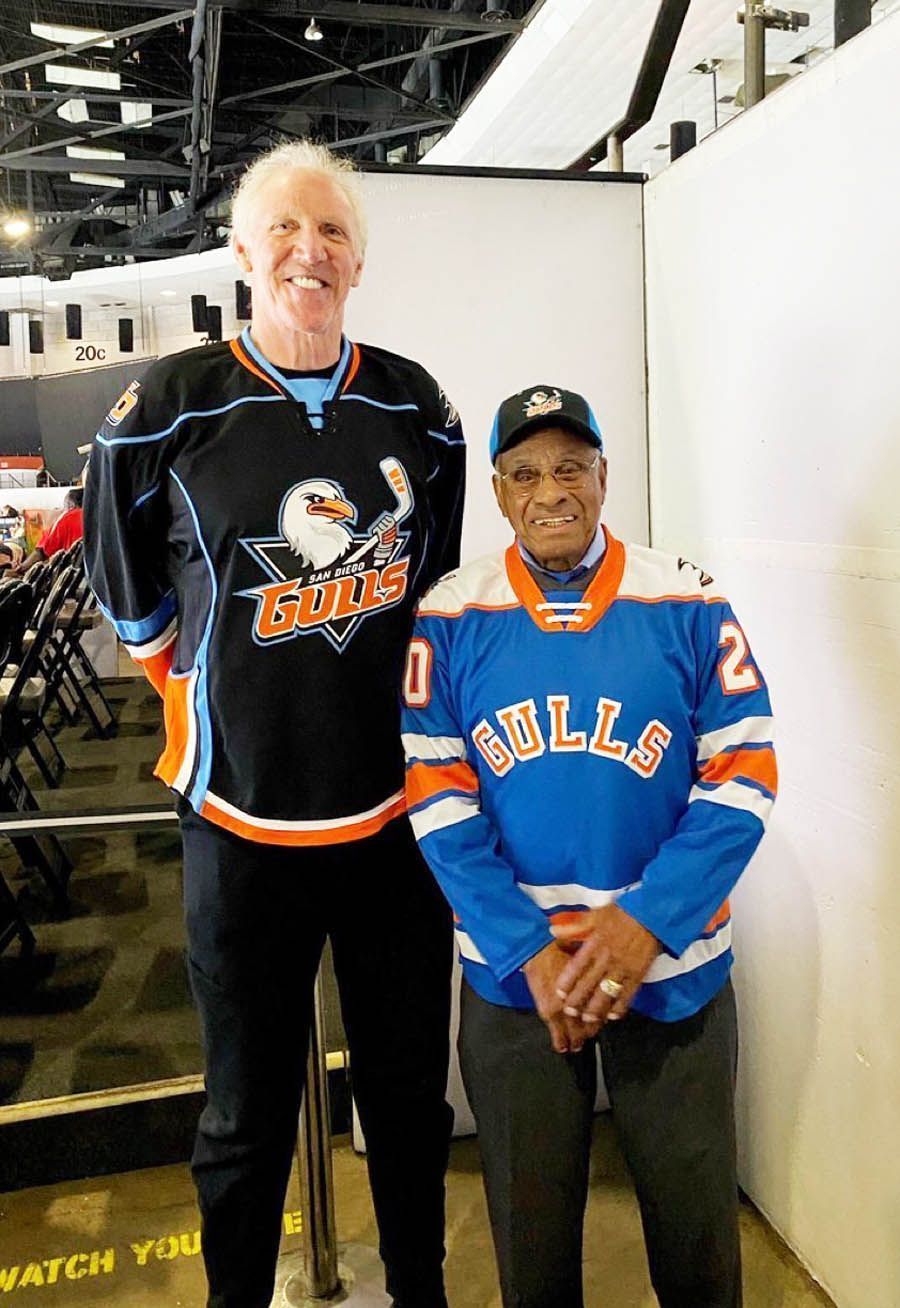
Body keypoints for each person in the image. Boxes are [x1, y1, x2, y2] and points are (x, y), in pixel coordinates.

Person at [84, 140, 465, 1308]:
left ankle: (420, 1290)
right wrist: (204, 683)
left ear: (359, 261)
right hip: (239, 822)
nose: (311, 251)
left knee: (406, 1097)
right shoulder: (168, 407)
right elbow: (127, 586)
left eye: (333, 231)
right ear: (243, 253)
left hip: (396, 819)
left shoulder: (417, 405)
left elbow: (433, 583)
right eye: (286, 231)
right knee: (244, 1113)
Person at [401, 385, 776, 1308]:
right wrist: (528, 949)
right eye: (526, 473)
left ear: (604, 477)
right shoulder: (450, 615)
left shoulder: (686, 598)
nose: (551, 492)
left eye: (571, 468)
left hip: (673, 970)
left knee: (698, 1248)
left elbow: (744, 773)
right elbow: (438, 800)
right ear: (499, 492)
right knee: (532, 1260)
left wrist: (645, 923)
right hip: (517, 985)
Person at [10, 487, 83, 573]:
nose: (64, 510)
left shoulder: (68, 518)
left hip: (73, 574)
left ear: (71, 505)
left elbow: (41, 552)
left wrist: (20, 569)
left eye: (65, 506)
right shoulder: (95, 517)